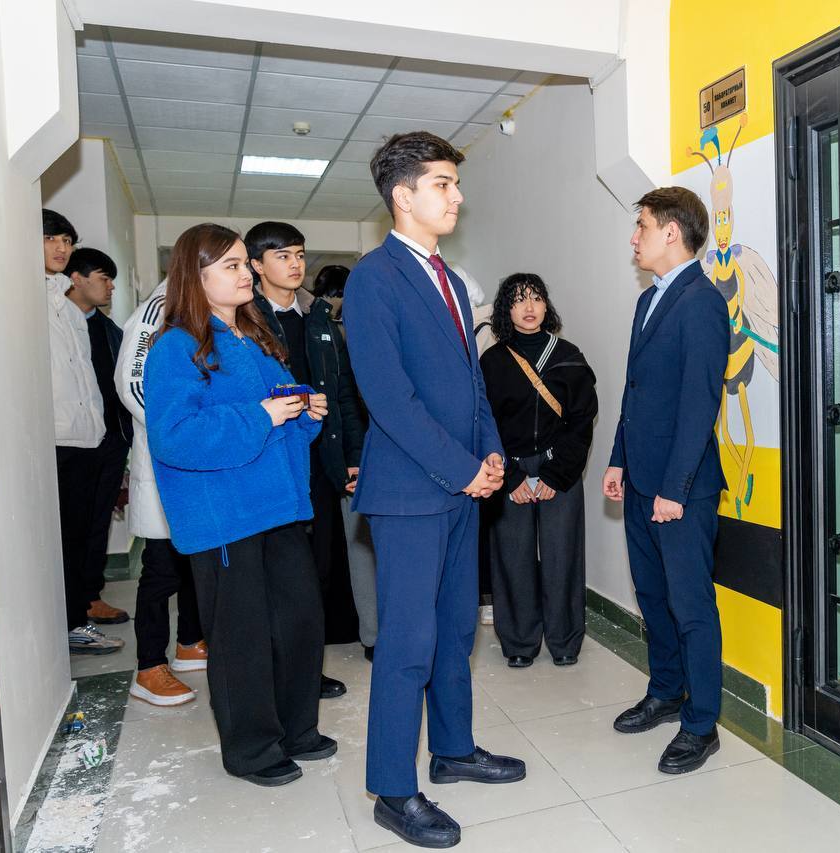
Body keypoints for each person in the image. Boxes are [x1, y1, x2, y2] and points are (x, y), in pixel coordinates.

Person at [344, 131, 524, 849]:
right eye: (443, 184)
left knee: (456, 631)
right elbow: (389, 397)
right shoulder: (374, 278)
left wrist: (492, 453)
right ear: (403, 195)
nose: (457, 197)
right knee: (408, 642)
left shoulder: (448, 277)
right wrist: (461, 466)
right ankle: (392, 788)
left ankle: (452, 750)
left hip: (460, 485)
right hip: (410, 491)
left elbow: (471, 381)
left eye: (454, 183)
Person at [145, 223, 334, 788]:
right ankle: (251, 749)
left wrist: (303, 414)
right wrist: (262, 416)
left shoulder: (253, 338)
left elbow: (277, 418)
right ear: (195, 277)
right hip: (225, 517)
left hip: (278, 507)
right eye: (230, 265)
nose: (245, 272)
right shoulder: (176, 347)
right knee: (242, 638)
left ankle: (296, 729)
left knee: (299, 623)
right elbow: (174, 437)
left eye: (243, 263)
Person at [603, 187, 729, 775]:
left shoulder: (702, 302)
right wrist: (618, 459)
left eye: (643, 226)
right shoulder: (647, 301)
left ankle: (701, 724)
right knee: (652, 596)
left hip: (681, 489)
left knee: (690, 606)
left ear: (672, 232)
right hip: (640, 481)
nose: (635, 238)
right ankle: (665, 691)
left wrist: (674, 490)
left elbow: (699, 405)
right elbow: (637, 394)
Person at [245, 222, 362, 699]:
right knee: (276, 575)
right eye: (282, 256)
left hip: (322, 464)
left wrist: (353, 456)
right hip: (272, 464)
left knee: (317, 572)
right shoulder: (245, 323)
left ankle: (306, 671)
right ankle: (273, 673)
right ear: (257, 265)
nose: (295, 264)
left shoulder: (320, 319)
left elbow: (343, 392)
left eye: (298, 254)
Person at [479, 273, 597, 668]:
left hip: (559, 466)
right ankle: (519, 641)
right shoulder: (492, 361)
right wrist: (510, 478)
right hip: (507, 470)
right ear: (505, 309)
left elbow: (582, 422)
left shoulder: (569, 356)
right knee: (512, 557)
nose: (529, 307)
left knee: (563, 556)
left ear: (547, 306)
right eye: (518, 299)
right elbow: (483, 423)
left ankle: (564, 640)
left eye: (536, 298)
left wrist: (555, 474)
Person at [115, 277, 208, 707]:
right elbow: (132, 385)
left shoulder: (203, 312)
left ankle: (190, 643)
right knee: (161, 569)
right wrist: (180, 431)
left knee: (193, 561)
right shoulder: (157, 310)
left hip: (198, 462)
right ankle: (149, 666)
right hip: (165, 461)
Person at [42, 210, 124, 655]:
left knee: (81, 534)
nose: (61, 248)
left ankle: (77, 617)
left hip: (92, 439)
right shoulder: (32, 302)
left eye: (66, 241)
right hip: (58, 441)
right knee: (65, 539)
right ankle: (70, 621)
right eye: (51, 239)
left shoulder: (75, 313)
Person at [63, 248, 134, 627]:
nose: (110, 287)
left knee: (98, 522)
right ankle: (71, 602)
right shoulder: (56, 325)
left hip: (110, 442)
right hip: (71, 444)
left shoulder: (110, 331)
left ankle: (90, 596)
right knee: (72, 525)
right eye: (104, 278)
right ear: (76, 278)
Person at [311, 263, 378, 661]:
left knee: (367, 548)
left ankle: (377, 632)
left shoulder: (375, 328)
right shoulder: (324, 332)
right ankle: (372, 634)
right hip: (349, 454)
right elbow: (341, 400)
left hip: (373, 451)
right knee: (359, 547)